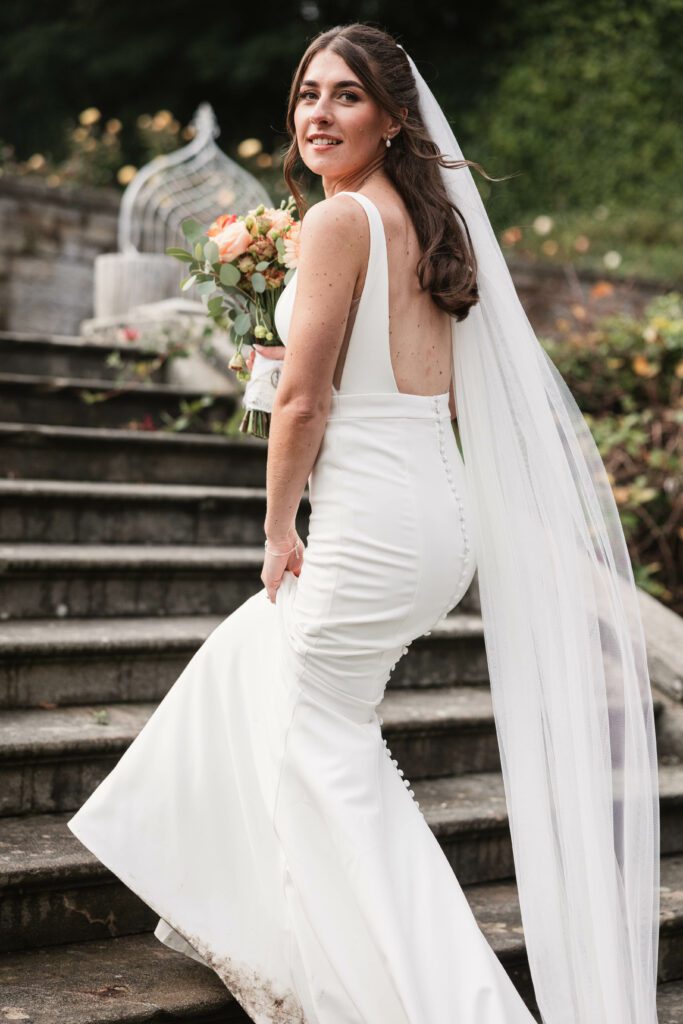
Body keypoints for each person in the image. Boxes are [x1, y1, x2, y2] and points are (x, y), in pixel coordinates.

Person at [67, 22, 660, 1024]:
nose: (318, 114)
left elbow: (302, 402)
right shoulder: (424, 225)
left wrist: (276, 525)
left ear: (391, 117)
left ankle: (445, 998)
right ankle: (272, 932)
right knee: (244, 676)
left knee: (323, 743)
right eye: (307, 94)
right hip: (434, 516)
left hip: (372, 521)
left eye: (345, 96)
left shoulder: (341, 223)